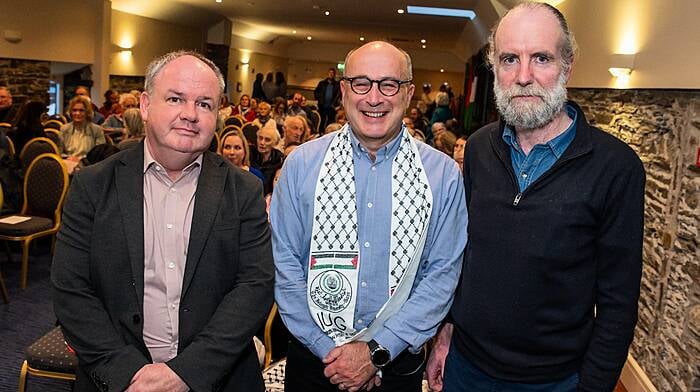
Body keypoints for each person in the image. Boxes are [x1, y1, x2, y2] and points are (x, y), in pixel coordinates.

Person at [426, 3, 645, 392]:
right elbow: (463, 256)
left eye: (540, 58)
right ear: (495, 67)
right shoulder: (477, 149)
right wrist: (445, 332)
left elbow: (618, 301)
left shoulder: (617, 168)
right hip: (466, 368)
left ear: (567, 65)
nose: (523, 76)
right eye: (510, 59)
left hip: (554, 380)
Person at [52, 50, 274, 392]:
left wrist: (186, 373)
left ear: (217, 114)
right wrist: (127, 373)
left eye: (205, 104)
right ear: (145, 105)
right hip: (117, 381)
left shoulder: (243, 189)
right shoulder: (93, 186)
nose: (190, 114)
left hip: (218, 378)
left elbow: (255, 287)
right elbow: (71, 290)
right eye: (175, 99)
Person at [271, 41, 467, 392]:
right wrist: (331, 352)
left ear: (407, 94)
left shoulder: (443, 175)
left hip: (397, 365)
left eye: (388, 84)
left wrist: (376, 351)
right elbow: (285, 268)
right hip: (316, 363)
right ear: (344, 91)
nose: (374, 98)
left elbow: (442, 275)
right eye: (361, 83)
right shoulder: (301, 166)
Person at [250, 125, 284, 195]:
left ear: (275, 143)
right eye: (260, 138)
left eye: (267, 140)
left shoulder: (280, 160)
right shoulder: (249, 153)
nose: (262, 143)